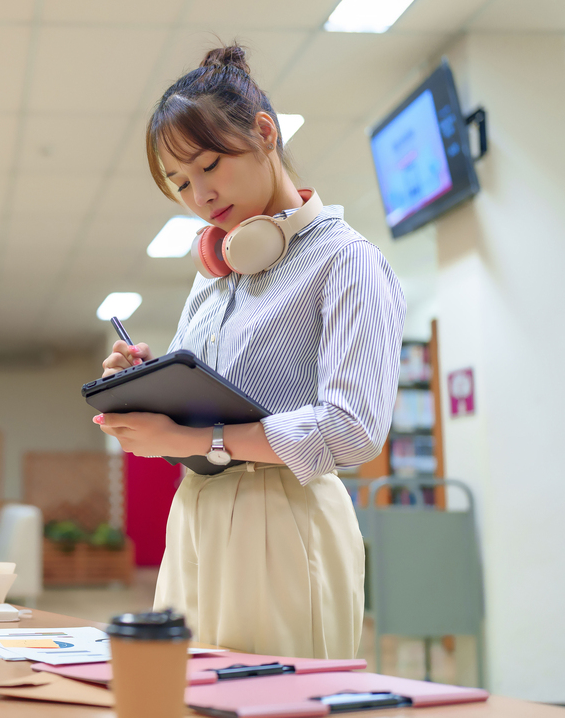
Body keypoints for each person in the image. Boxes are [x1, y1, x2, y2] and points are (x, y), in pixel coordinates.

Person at [95, 44, 405, 659]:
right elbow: (207, 416)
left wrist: (189, 440)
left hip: (284, 519)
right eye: (181, 183)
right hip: (196, 513)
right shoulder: (215, 277)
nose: (200, 195)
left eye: (209, 165)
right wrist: (150, 388)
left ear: (264, 133)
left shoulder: (347, 262)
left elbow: (352, 432)